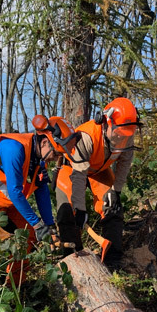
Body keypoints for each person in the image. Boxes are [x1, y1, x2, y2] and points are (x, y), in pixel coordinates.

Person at [54, 97, 142, 269]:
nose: (121, 137)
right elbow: (79, 175)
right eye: (117, 132)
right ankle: (72, 258)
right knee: (68, 212)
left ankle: (113, 259)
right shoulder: (86, 137)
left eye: (127, 133)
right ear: (106, 122)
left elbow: (124, 163)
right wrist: (79, 208)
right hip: (72, 169)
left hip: (99, 171)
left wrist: (116, 190)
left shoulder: (127, 134)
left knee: (112, 207)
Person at [0, 121, 75, 241]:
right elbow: (15, 192)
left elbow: (41, 189)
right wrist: (37, 225)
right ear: (44, 142)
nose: (55, 159)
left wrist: (49, 224)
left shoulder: (39, 158)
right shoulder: (14, 149)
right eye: (56, 154)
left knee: (24, 237)